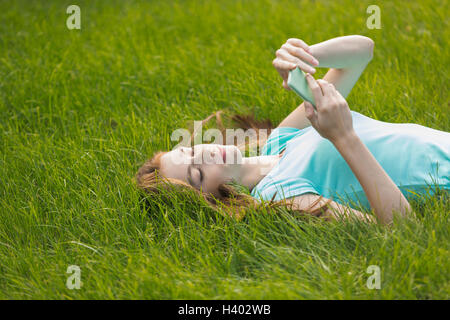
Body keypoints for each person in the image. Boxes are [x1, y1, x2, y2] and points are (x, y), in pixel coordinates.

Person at [136, 35, 449, 225]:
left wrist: (306, 54)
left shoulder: (279, 141)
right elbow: (401, 226)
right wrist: (343, 137)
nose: (204, 155)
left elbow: (362, 52)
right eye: (197, 174)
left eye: (190, 151)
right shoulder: (278, 195)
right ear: (214, 202)